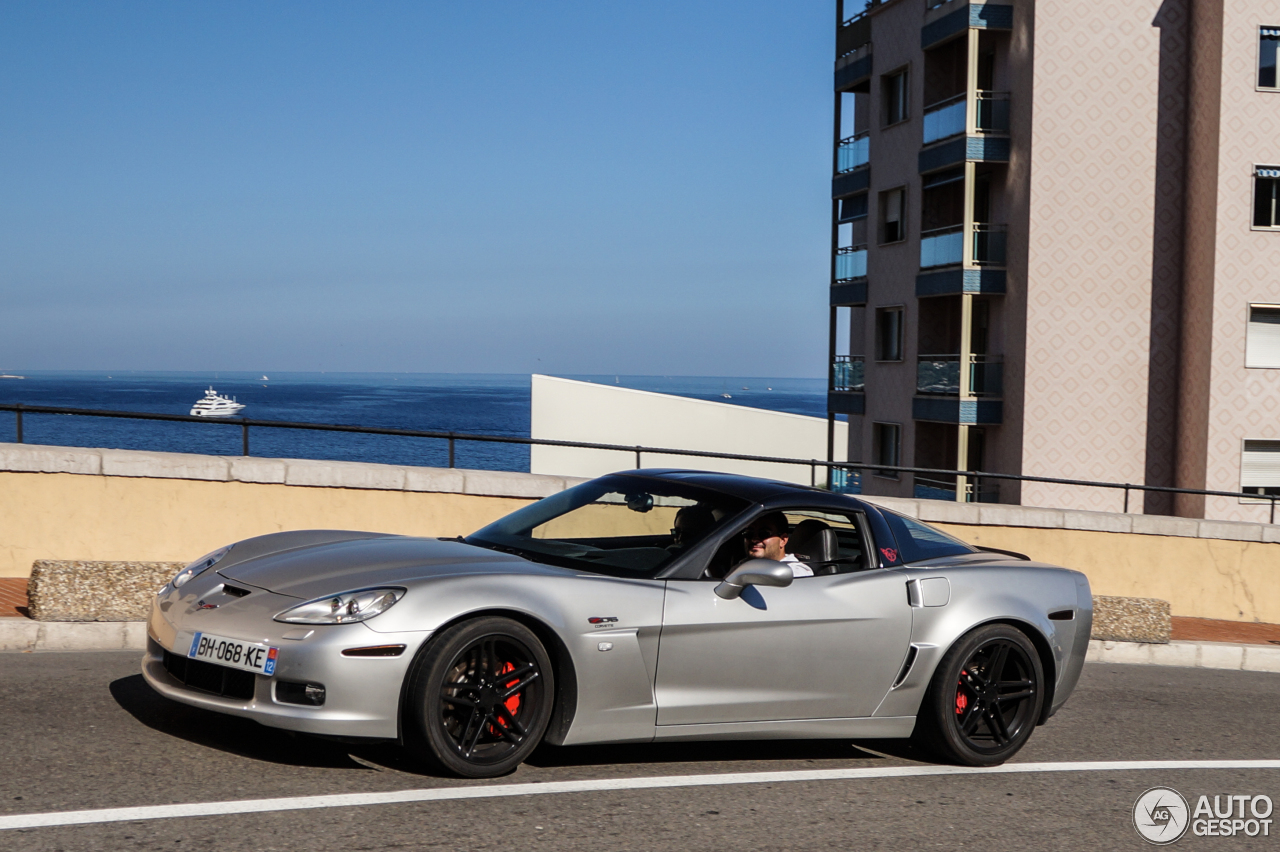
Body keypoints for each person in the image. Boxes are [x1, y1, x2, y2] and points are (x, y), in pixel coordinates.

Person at [739, 511, 813, 578]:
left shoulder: (795, 573)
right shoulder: (741, 566)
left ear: (783, 540)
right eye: (749, 533)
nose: (754, 540)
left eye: (764, 533)